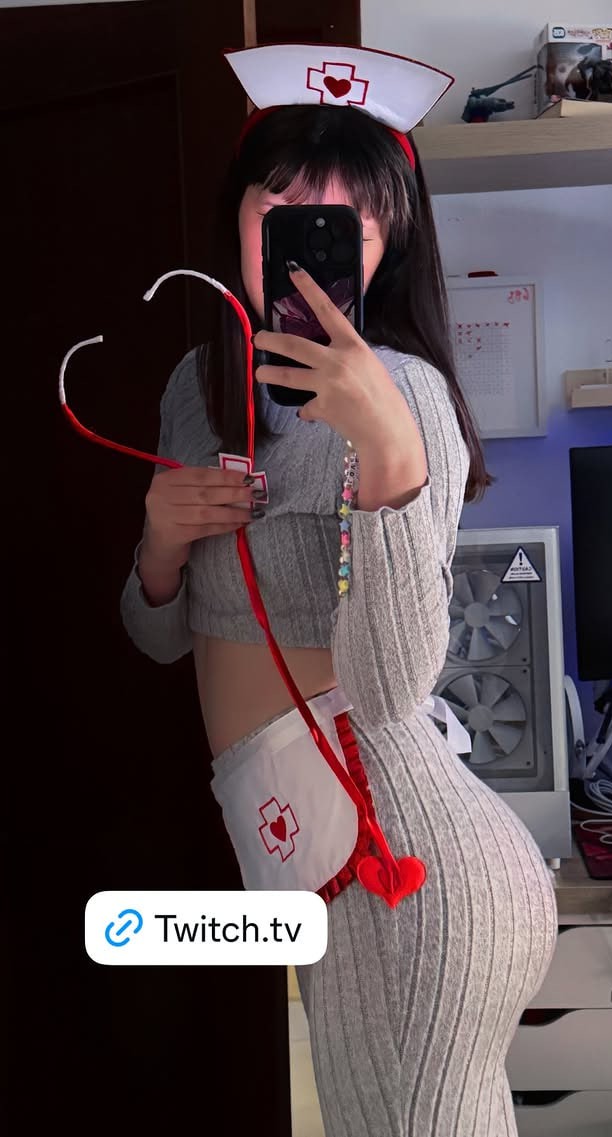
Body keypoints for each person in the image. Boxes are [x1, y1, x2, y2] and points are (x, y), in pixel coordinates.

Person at [121, 44, 557, 1137]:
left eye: (341, 220)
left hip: (403, 871)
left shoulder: (404, 393)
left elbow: (395, 684)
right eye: (280, 206)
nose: (304, 240)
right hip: (321, 859)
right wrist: (159, 547)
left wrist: (391, 458)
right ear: (239, 216)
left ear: (385, 240)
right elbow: (163, 640)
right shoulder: (195, 391)